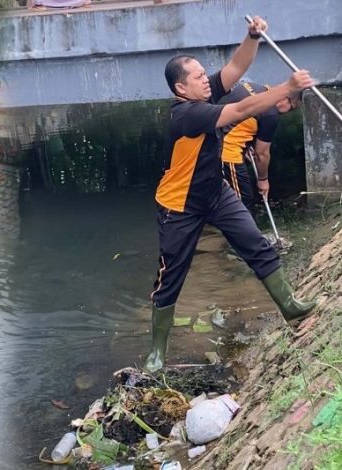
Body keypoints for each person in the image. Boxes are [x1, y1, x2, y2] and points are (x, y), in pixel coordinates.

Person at [144, 17, 317, 373]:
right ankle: (157, 352)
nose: (204, 79)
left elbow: (237, 66)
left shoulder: (202, 91)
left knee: (256, 243)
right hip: (179, 205)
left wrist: (251, 36)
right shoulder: (187, 115)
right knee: (171, 275)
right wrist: (286, 87)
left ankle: (291, 307)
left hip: (215, 192)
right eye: (196, 76)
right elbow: (240, 110)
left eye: (202, 74)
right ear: (181, 87)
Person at [218, 82, 302, 214]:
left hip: (210, 140)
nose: (288, 113)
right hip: (226, 152)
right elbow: (262, 154)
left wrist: (247, 144)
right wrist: (263, 180)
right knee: (243, 201)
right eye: (291, 108)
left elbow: (241, 118)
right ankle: (245, 234)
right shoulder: (270, 114)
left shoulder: (253, 86)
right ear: (285, 99)